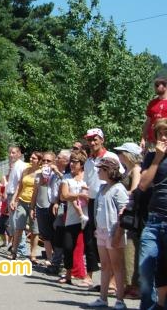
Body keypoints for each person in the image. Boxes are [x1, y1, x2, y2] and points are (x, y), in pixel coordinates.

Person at [86, 158, 129, 310]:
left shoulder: (118, 189)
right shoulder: (102, 188)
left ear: (108, 171)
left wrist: (118, 232)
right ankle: (102, 298)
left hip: (114, 231)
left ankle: (120, 300)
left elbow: (124, 213)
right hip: (102, 231)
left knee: (117, 266)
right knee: (105, 265)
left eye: (101, 169)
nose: (98, 172)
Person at [84, 128, 123, 289]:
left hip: (108, 200)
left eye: (95, 139)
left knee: (110, 238)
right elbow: (87, 183)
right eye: (90, 140)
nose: (92, 142)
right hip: (93, 201)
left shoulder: (110, 157)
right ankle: (92, 275)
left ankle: (113, 281)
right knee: (93, 239)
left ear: (102, 140)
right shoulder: (88, 161)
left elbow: (120, 176)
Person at [138, 118, 167, 310]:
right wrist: (157, 158)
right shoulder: (151, 156)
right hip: (154, 219)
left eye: (166, 134)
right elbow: (142, 184)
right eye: (160, 134)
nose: (163, 138)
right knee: (145, 268)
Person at [114, 141, 143, 300]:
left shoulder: (136, 170)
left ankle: (135, 286)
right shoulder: (127, 170)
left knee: (131, 248)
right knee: (125, 248)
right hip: (124, 212)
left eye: (122, 152)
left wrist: (121, 194)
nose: (120, 155)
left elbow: (135, 190)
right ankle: (128, 285)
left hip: (131, 214)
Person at [58, 151, 89, 287]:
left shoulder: (87, 177)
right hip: (71, 218)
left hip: (88, 217)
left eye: (75, 162)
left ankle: (88, 276)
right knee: (68, 246)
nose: (71, 164)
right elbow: (63, 196)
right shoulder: (66, 177)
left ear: (81, 164)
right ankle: (69, 274)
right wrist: (80, 195)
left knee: (89, 247)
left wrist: (79, 195)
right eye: (71, 161)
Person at [10, 152, 40, 261]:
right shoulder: (26, 170)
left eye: (34, 158)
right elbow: (20, 186)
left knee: (34, 229)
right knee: (19, 227)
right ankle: (14, 250)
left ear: (39, 160)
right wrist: (14, 199)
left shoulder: (41, 172)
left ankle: (33, 254)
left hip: (35, 203)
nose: (31, 159)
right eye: (31, 157)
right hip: (23, 201)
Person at [142, 77, 167, 151]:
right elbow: (147, 122)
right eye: (154, 85)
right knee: (150, 162)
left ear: (165, 86)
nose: (155, 88)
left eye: (157, 85)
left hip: (164, 141)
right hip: (151, 141)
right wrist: (143, 138)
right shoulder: (152, 103)